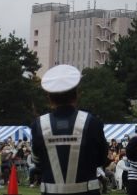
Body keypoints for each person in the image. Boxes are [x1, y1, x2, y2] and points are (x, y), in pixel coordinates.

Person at [31, 64, 108, 195]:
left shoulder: (39, 124)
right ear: (76, 94)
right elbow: (101, 159)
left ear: (49, 97)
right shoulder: (92, 122)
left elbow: (37, 161)